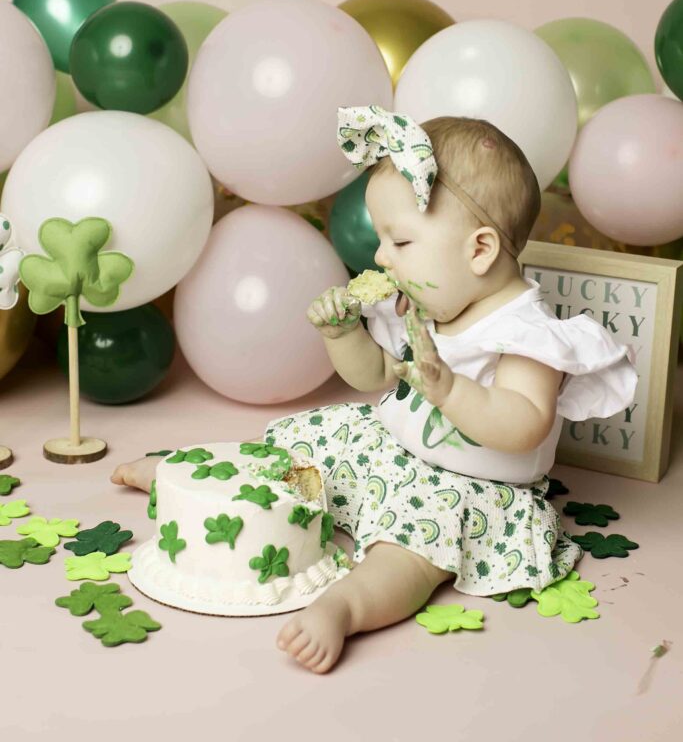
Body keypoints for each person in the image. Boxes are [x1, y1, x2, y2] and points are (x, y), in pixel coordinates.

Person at [112, 105, 638, 675]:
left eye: (401, 242)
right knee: (307, 441)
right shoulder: (431, 299)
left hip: (466, 490)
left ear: (480, 250)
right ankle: (199, 477)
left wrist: (450, 389)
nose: (381, 257)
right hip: (390, 447)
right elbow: (377, 377)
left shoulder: (525, 335)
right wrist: (343, 336)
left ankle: (343, 606)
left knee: (410, 552)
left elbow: (523, 423)